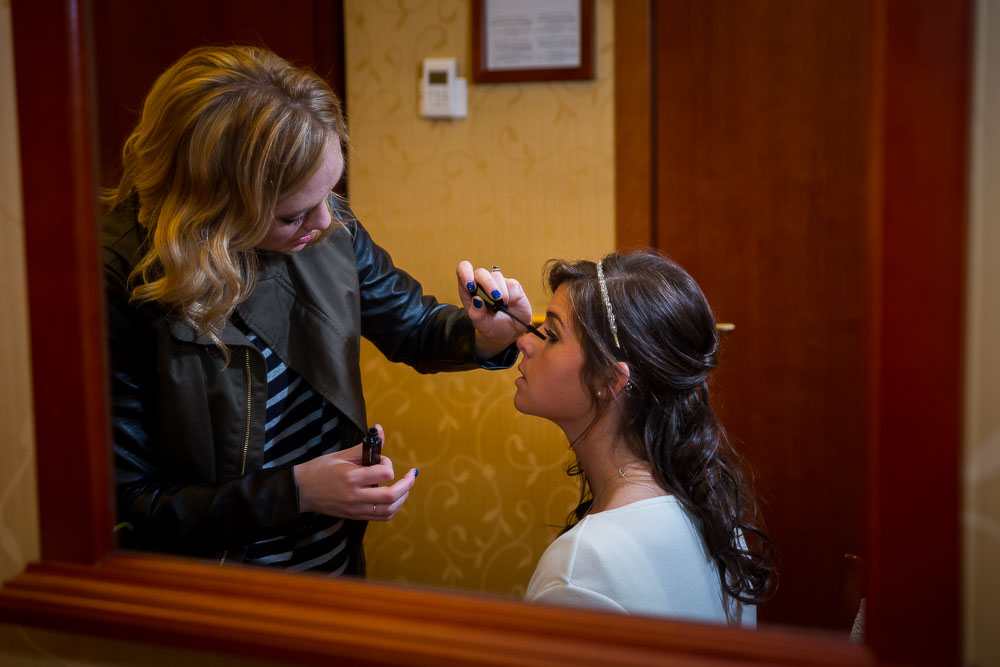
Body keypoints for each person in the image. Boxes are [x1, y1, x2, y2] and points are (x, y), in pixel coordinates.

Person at [102, 45, 532, 576]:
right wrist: (296, 492)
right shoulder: (117, 280)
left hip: (331, 561)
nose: (329, 223)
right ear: (211, 210)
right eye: (294, 214)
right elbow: (130, 501)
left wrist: (485, 338)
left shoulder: (322, 223)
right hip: (218, 587)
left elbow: (413, 325)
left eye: (333, 191)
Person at [515, 251, 773, 624]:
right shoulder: (714, 513)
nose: (525, 341)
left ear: (610, 380)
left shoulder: (580, 574)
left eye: (552, 335)